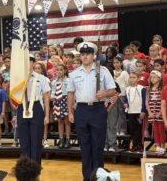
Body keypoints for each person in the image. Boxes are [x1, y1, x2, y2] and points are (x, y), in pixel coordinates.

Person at [67, 41, 116, 181]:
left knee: (98, 145)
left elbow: (113, 91)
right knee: (85, 146)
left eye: (88, 54)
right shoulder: (74, 73)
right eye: (82, 54)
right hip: (81, 110)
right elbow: (70, 93)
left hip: (98, 109)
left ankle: (98, 177)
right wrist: (70, 112)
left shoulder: (103, 70)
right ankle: (87, 177)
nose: (85, 57)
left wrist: (105, 94)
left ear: (94, 55)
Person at [16, 55, 51, 164]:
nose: (27, 65)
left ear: (33, 63)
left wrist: (46, 115)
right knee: (24, 140)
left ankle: (35, 168)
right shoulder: (17, 78)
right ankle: (25, 167)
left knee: (36, 140)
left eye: (29, 62)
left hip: (36, 108)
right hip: (22, 107)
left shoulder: (41, 78)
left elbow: (46, 96)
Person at [124, 72, 146, 152]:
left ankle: (139, 145)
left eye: (134, 77)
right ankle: (134, 145)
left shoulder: (141, 88)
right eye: (130, 77)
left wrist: (143, 111)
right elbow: (126, 99)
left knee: (138, 129)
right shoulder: (127, 89)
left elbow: (144, 101)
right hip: (130, 112)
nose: (132, 79)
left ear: (138, 79)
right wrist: (126, 103)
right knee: (132, 129)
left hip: (138, 112)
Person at [146, 70, 165, 156]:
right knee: (155, 130)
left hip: (159, 113)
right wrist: (149, 112)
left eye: (154, 77)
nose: (152, 79)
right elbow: (147, 102)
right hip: (152, 113)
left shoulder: (162, 89)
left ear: (160, 78)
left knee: (161, 130)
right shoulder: (149, 89)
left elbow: (163, 102)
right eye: (151, 77)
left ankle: (162, 147)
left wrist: (160, 112)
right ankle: (157, 146)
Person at [51, 63, 70, 148]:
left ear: (65, 71)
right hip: (58, 101)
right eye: (57, 70)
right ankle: (61, 139)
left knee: (67, 121)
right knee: (60, 122)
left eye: (61, 70)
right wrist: (52, 97)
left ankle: (68, 140)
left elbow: (71, 92)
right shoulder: (54, 82)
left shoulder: (68, 80)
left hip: (66, 101)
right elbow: (52, 92)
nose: (59, 71)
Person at [113, 57, 129, 136]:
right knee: (114, 113)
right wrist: (114, 76)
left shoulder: (124, 73)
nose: (116, 64)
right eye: (114, 63)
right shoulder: (112, 72)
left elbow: (127, 84)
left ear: (121, 63)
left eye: (117, 62)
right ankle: (115, 129)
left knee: (121, 113)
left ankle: (122, 130)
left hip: (122, 95)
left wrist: (125, 94)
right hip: (113, 96)